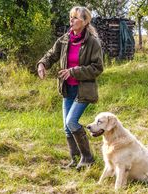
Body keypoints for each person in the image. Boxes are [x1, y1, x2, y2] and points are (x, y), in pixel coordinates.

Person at [37, 6, 103, 170]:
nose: (71, 21)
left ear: (85, 21)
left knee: (72, 122)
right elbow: (51, 54)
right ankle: (75, 160)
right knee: (67, 127)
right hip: (68, 89)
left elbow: (97, 68)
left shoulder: (92, 42)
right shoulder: (65, 39)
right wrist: (42, 64)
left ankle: (88, 158)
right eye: (71, 17)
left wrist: (73, 71)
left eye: (75, 18)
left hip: (84, 90)